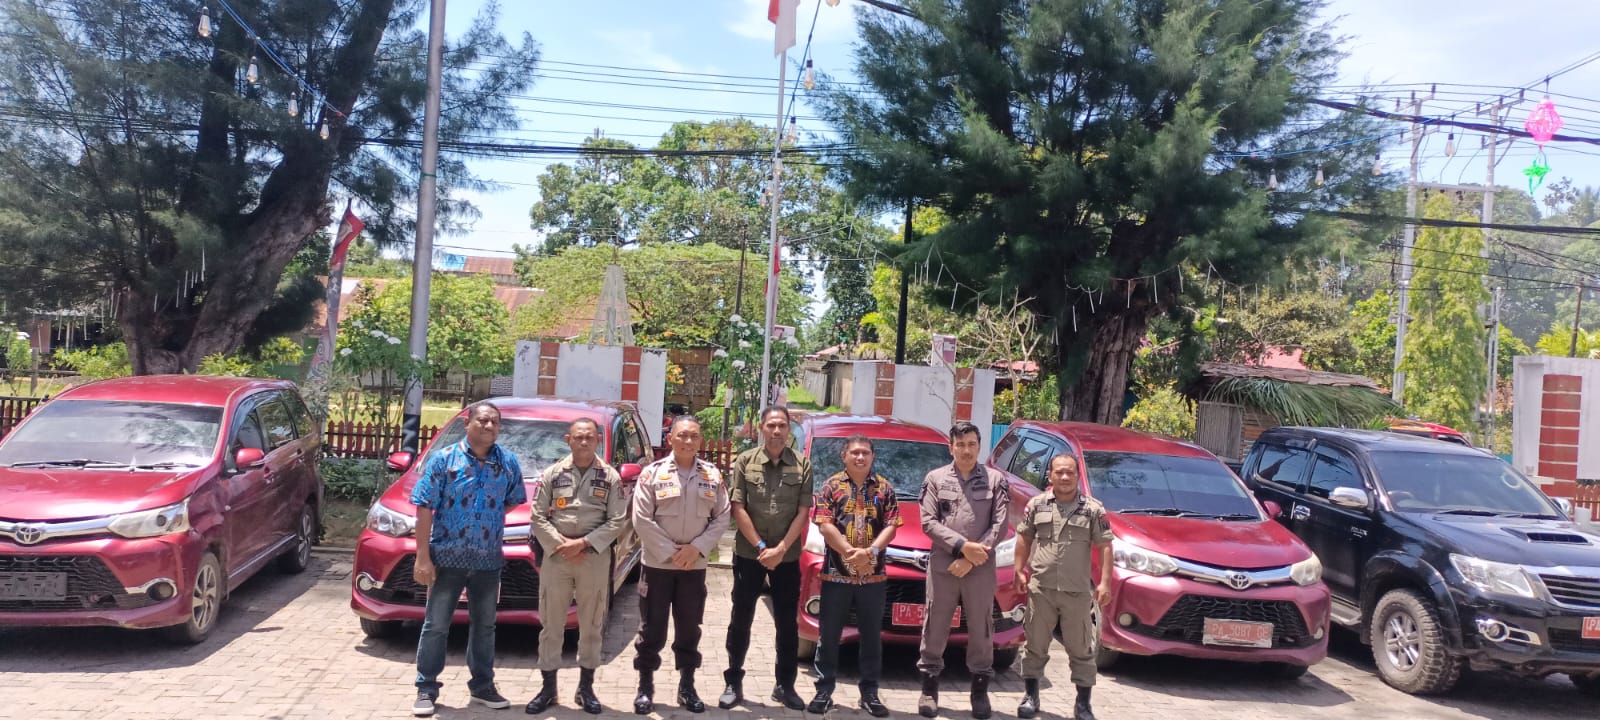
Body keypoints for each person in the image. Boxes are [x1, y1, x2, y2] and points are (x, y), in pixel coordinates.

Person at [409, 402, 526, 717]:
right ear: (467, 423)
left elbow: (513, 501)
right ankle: (426, 688)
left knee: (485, 625)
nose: (489, 427)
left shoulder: (508, 463)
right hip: (447, 558)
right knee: (436, 625)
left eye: (495, 423)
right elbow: (423, 506)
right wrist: (423, 556)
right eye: (483, 420)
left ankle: (483, 686)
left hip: (488, 561)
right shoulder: (444, 460)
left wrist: (484, 522)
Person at [524, 418, 630, 715]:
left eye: (589, 438)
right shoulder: (552, 474)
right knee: (551, 624)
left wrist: (582, 544)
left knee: (592, 623)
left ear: (598, 440)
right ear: (568, 439)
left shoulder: (610, 477)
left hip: (593, 557)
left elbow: (618, 521)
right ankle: (548, 688)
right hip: (557, 556)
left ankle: (586, 688)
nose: (584, 442)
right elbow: (537, 516)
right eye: (578, 437)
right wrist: (561, 544)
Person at [630, 415, 731, 715]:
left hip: (693, 568)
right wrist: (670, 552)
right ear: (671, 438)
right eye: (683, 435)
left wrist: (697, 549)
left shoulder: (712, 475)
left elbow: (722, 516)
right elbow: (640, 518)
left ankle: (687, 686)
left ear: (700, 441)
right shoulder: (652, 474)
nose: (689, 441)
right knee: (652, 629)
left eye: (695, 436)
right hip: (658, 566)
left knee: (689, 629)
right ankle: (645, 686)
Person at [719, 406, 812, 711]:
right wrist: (762, 547)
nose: (776, 431)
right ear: (761, 427)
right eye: (771, 425)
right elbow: (738, 508)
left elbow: (802, 512)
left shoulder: (802, 465)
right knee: (741, 618)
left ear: (788, 430)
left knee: (787, 623)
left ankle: (785, 685)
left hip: (787, 557)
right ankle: (733, 682)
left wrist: (781, 549)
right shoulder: (746, 461)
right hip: (750, 553)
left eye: (782, 426)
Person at [917, 421, 1010, 720]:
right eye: (960, 444)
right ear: (951, 447)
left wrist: (972, 557)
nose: (966, 450)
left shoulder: (996, 480)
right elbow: (928, 522)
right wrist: (961, 547)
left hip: (980, 567)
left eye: (971, 444)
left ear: (979, 446)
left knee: (981, 628)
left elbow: (1000, 525)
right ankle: (929, 688)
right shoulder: (935, 478)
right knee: (935, 625)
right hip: (944, 565)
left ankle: (980, 692)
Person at [1013, 453, 1113, 720]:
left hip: (1077, 593)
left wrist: (1104, 583)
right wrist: (1019, 569)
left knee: (1081, 648)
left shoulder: (1093, 509)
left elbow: (1105, 546)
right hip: (1041, 589)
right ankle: (1031, 696)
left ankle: (1083, 704)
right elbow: (1024, 537)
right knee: (1035, 645)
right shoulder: (1037, 505)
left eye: (1070, 472)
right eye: (1059, 472)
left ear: (1078, 475)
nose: (1065, 477)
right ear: (1050, 476)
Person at [808, 434, 900, 718]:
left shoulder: (885, 488)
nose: (860, 457)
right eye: (855, 453)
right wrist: (850, 552)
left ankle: (870, 693)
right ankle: (824, 691)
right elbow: (824, 525)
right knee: (829, 635)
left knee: (872, 636)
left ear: (873, 456)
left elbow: (892, 525)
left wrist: (870, 552)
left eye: (865, 453)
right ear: (844, 456)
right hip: (836, 576)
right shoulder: (831, 486)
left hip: (873, 579)